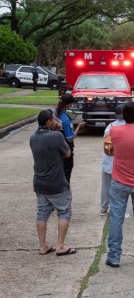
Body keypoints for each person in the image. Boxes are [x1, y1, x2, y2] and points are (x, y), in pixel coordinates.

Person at [103, 102, 134, 268]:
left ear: (122, 116)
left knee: (116, 218)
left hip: (119, 181)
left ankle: (114, 256)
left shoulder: (115, 131)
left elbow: (108, 148)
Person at [30, 109, 76, 256]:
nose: (56, 121)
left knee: (42, 213)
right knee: (64, 211)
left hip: (39, 182)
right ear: (49, 121)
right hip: (56, 182)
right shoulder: (56, 135)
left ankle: (42, 246)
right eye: (54, 119)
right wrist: (59, 131)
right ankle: (60, 246)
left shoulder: (32, 137)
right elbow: (67, 153)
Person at [54, 94, 84, 183]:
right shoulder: (66, 119)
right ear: (68, 105)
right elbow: (70, 138)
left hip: (54, 149)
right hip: (65, 149)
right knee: (66, 177)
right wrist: (79, 127)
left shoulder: (53, 113)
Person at [100, 105, 125, 216]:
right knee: (120, 189)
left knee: (106, 186)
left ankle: (104, 209)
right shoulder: (127, 127)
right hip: (121, 164)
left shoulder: (110, 126)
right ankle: (119, 210)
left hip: (108, 161)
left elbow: (106, 146)